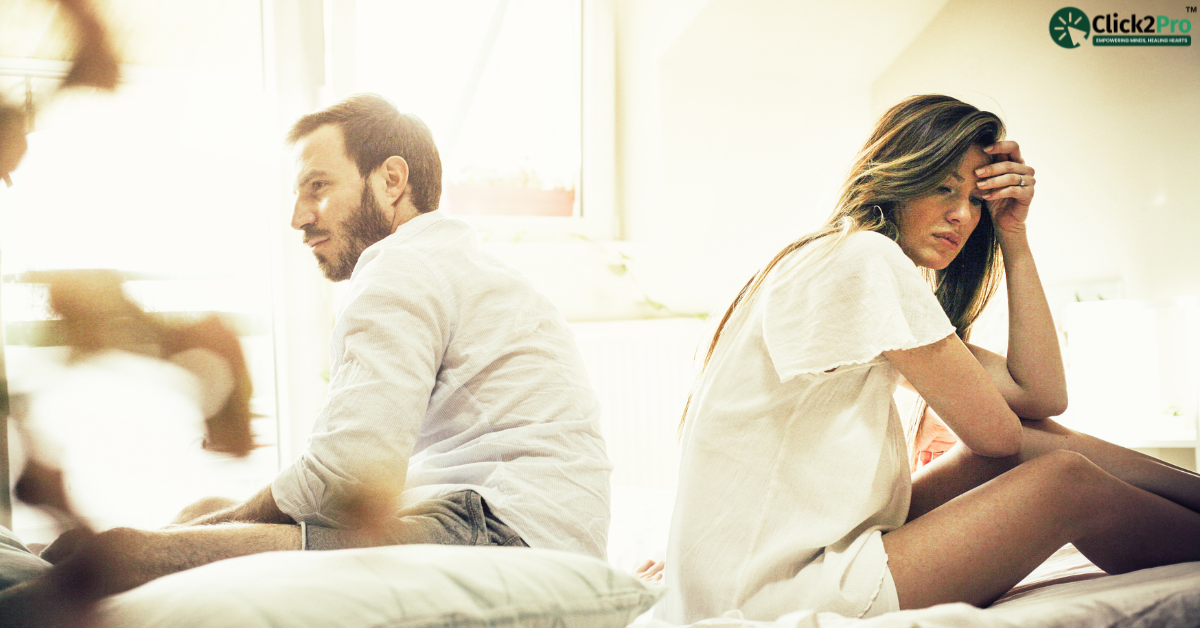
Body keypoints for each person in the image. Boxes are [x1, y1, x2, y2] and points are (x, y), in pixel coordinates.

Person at [0, 93, 611, 618]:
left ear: (391, 180)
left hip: (501, 535)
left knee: (129, 554)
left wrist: (166, 541)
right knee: (205, 510)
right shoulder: (454, 263)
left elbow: (347, 475)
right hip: (512, 521)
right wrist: (209, 524)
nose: (297, 218)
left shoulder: (402, 268)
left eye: (317, 187)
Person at [657, 94, 1200, 623]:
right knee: (1064, 482)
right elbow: (1001, 437)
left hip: (779, 564)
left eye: (975, 202)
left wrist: (1013, 233)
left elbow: (1041, 396)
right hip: (774, 592)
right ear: (894, 181)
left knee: (1015, 454)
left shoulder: (834, 259)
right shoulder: (863, 258)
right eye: (943, 189)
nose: (962, 216)